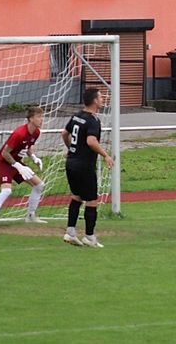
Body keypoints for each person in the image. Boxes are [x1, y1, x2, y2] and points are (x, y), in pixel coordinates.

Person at [61, 88, 115, 248]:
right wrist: (105, 155)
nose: (103, 99)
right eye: (100, 97)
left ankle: (70, 232)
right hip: (84, 165)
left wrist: (71, 149)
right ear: (94, 100)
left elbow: (64, 133)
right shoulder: (93, 120)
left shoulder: (76, 115)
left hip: (71, 163)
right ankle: (89, 237)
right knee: (91, 201)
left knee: (77, 196)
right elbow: (91, 141)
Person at [0, 106, 46, 229]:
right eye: (39, 117)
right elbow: (5, 153)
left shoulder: (36, 132)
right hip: (4, 162)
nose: (42, 119)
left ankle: (31, 216)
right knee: (6, 191)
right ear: (30, 119)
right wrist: (17, 166)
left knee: (39, 185)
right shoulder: (19, 133)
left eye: (42, 116)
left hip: (16, 163)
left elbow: (28, 147)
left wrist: (34, 157)